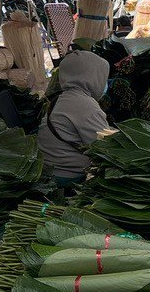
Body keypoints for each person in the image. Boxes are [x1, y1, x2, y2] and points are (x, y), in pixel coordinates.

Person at [38, 51, 111, 189]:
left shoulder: (62, 98)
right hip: (67, 178)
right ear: (92, 78)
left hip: (49, 170)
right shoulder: (85, 105)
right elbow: (104, 146)